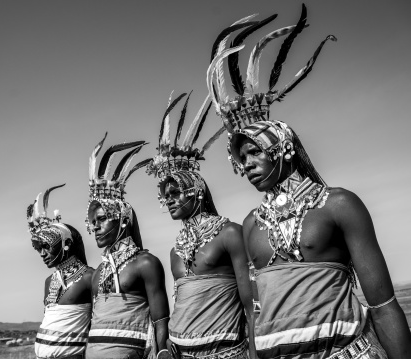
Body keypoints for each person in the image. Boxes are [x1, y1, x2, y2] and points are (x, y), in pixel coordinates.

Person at [207, 5, 411, 359]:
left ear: (282, 148)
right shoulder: (252, 225)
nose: (247, 164)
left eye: (254, 152)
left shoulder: (338, 205)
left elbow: (382, 305)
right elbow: (256, 314)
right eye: (242, 158)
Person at [145, 92, 254, 359]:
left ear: (197, 191)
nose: (168, 201)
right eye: (165, 196)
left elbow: (252, 306)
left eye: (175, 193)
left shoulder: (229, 233)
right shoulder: (175, 251)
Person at [84, 134, 171, 359]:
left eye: (102, 219)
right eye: (93, 222)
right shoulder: (98, 273)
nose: (95, 227)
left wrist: (162, 352)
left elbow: (161, 320)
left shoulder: (146, 263)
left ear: (122, 219)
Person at [27, 184, 94, 359]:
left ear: (67, 244)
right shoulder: (49, 281)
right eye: (38, 248)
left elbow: (97, 324)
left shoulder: (89, 277)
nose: (42, 253)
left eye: (46, 246)